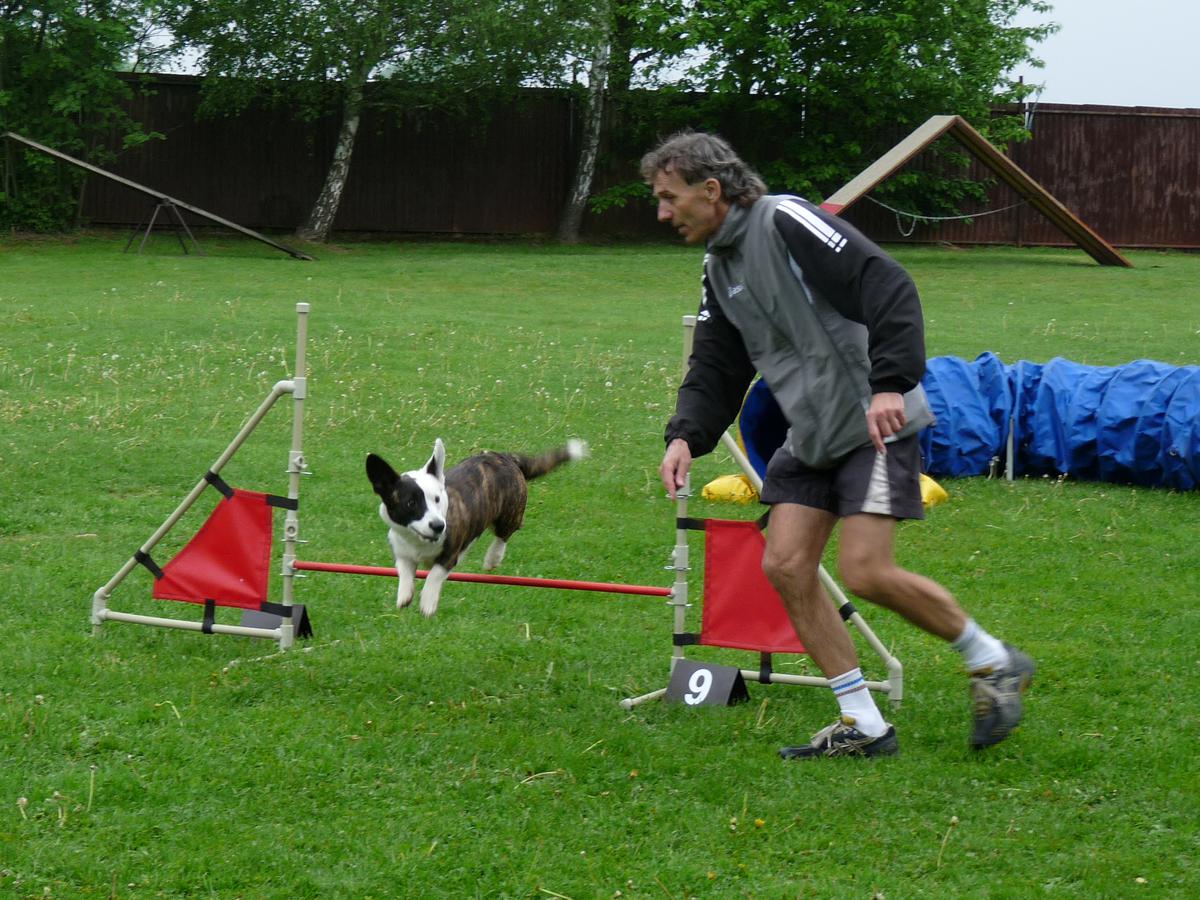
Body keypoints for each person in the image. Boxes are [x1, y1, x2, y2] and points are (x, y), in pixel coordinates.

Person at [642, 130, 1034, 759]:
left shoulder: (787, 220)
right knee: (786, 565)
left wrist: (889, 385)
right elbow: (717, 363)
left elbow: (886, 283)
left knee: (866, 572)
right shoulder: (720, 266)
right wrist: (686, 435)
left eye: (669, 197)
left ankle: (992, 660)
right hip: (813, 433)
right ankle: (864, 724)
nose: (662, 213)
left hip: (873, 423)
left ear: (711, 190)